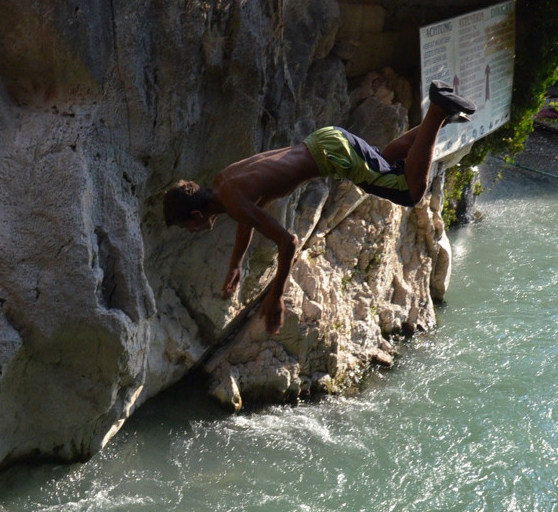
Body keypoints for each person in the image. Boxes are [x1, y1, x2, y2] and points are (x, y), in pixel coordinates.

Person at [163, 81, 475, 336]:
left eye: (187, 227)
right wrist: (237, 263)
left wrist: (276, 297)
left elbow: (289, 242)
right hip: (325, 141)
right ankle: (441, 118)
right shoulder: (225, 183)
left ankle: (437, 110)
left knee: (409, 191)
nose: (192, 232)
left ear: (196, 216)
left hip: (333, 156)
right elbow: (249, 217)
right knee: (384, 167)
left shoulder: (232, 203)